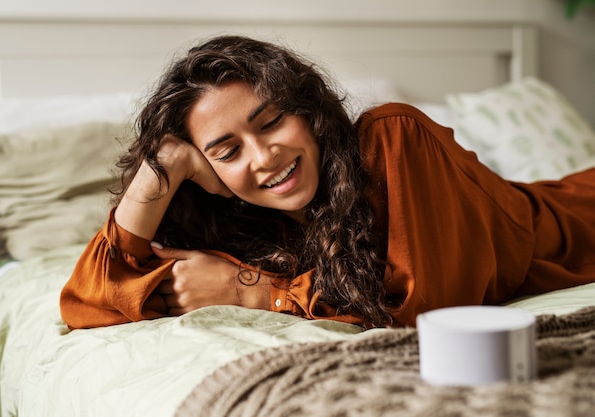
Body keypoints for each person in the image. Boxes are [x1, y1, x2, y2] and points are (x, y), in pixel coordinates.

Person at [60, 35, 595, 330]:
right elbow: (90, 303)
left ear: (309, 113)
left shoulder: (394, 137)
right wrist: (161, 167)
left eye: (271, 122)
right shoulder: (245, 227)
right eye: (227, 151)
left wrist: (253, 293)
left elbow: (420, 312)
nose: (264, 155)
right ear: (209, 172)